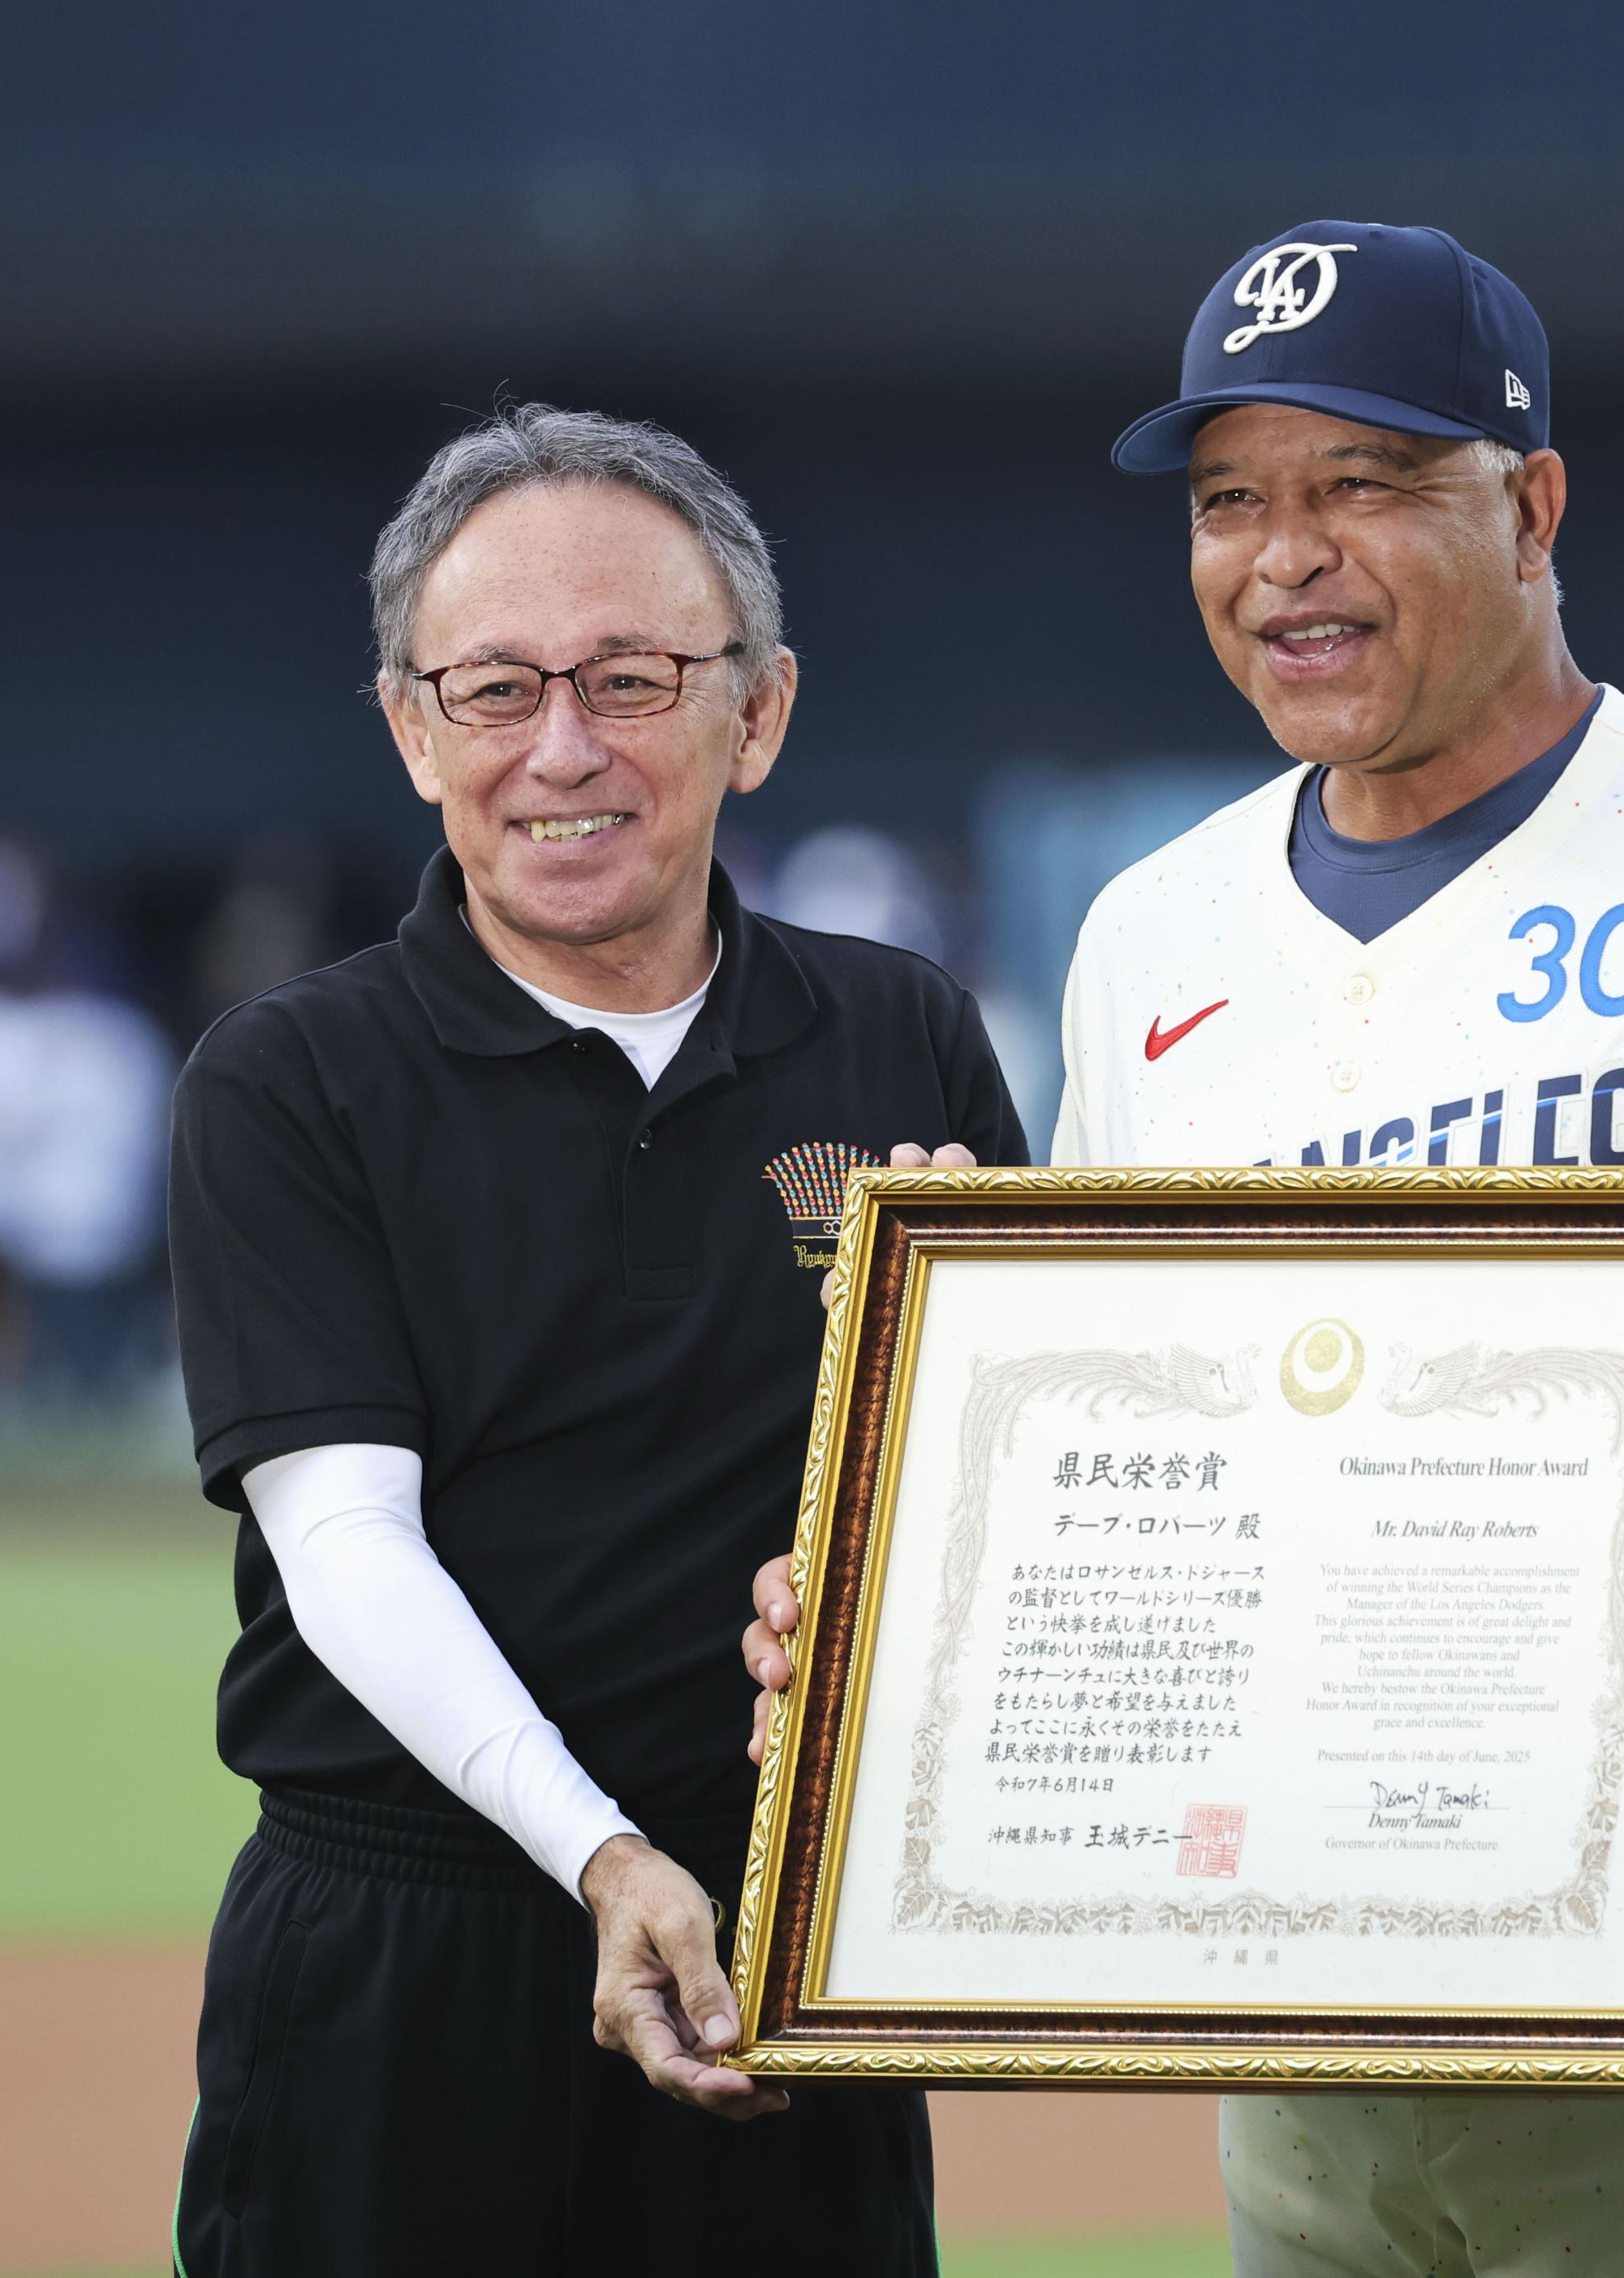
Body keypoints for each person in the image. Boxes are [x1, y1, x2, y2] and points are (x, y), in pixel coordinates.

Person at [746, 220, 1624, 2277]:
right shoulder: (1153, 936)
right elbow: (1129, 1457)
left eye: (1361, 484)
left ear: (1534, 504)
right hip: (1285, 1981)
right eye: (1230, 501)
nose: (1280, 556)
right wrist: (890, 1608)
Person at [167, 405, 1020, 2275]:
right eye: (493, 689)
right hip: (408, 1953)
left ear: (760, 710)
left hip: (781, 1964)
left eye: (631, 679)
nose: (564, 749)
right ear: (409, 728)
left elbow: (1012, 1534)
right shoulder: (292, 1079)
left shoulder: (904, 1039)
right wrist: (607, 1857)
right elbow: (343, 1546)